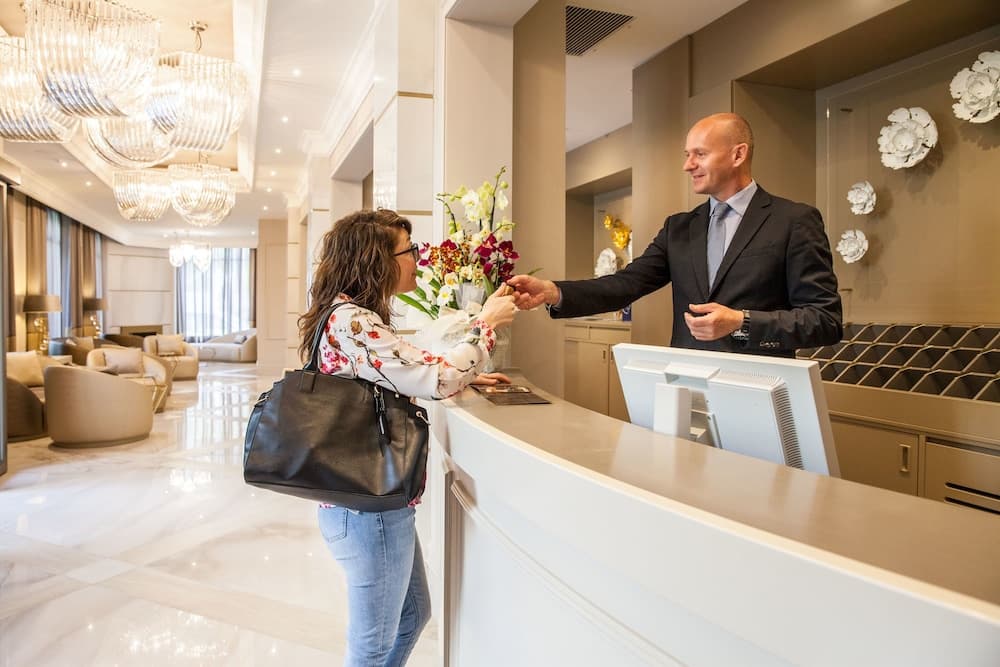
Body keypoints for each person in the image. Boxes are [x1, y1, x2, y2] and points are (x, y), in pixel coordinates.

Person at [299, 209, 517, 666]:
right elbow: (435, 379)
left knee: (413, 615)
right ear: (377, 259)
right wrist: (485, 324)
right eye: (409, 250)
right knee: (373, 645)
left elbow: (412, 365)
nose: (418, 259)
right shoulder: (350, 320)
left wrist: (467, 373)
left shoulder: (350, 316)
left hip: (374, 506)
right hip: (367, 508)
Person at [509, 113, 842, 357]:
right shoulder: (679, 228)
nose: (688, 165)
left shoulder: (793, 220)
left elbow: (825, 320)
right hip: (686, 388)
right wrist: (553, 291)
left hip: (761, 391)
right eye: (687, 155)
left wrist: (742, 322)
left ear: (738, 154)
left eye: (700, 154)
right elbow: (626, 284)